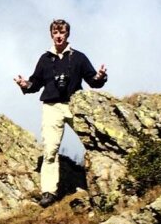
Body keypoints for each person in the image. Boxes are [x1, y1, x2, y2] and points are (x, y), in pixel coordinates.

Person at [14, 19, 107, 208]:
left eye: (62, 32)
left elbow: (92, 80)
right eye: (55, 32)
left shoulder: (78, 57)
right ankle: (48, 192)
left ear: (67, 34)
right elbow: (35, 83)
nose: (58, 36)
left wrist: (100, 77)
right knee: (50, 149)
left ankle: (102, 183)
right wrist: (25, 84)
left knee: (92, 141)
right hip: (51, 106)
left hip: (74, 105)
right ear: (51, 34)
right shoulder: (45, 59)